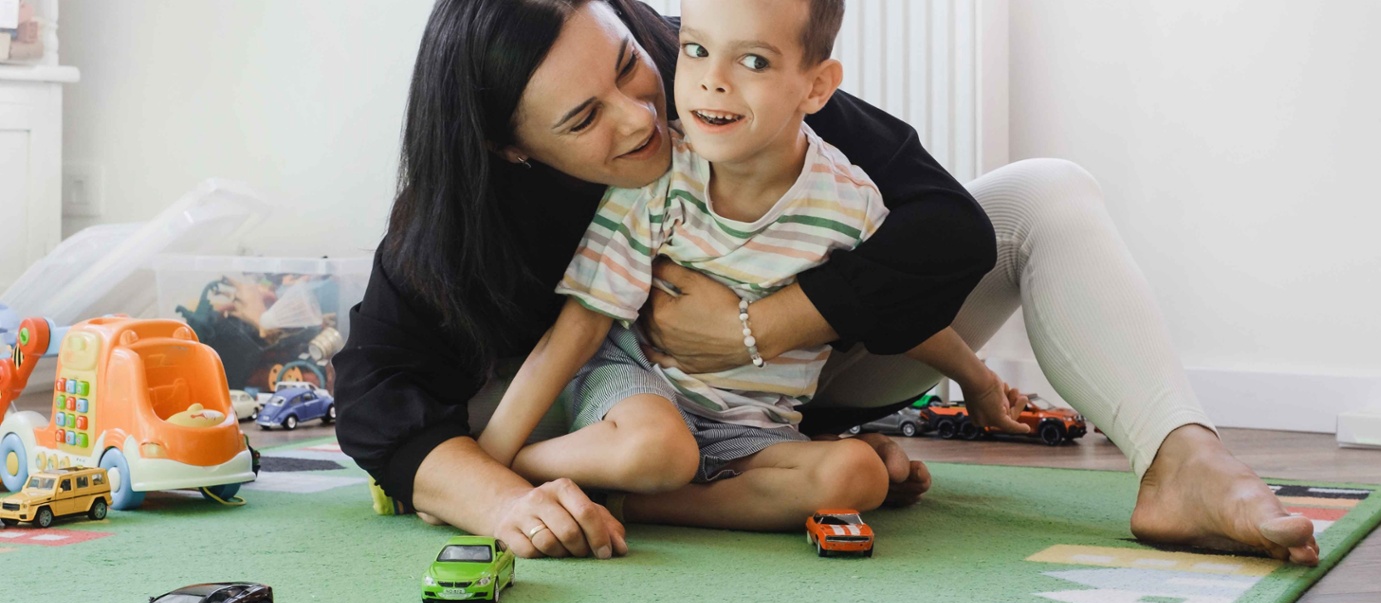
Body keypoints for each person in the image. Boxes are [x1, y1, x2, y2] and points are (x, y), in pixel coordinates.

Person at [334, 0, 1320, 565]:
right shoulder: (455, 217)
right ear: (510, 150)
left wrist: (760, 325)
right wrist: (495, 494)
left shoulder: (712, 71)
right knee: (518, 421)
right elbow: (376, 399)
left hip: (785, 382)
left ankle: (1184, 460)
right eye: (583, 120)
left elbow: (943, 231)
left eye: (634, 67)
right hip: (601, 402)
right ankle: (617, 479)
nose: (643, 116)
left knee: (1048, 195)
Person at [474, 0, 1032, 534]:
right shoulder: (660, 178)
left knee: (858, 476)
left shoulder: (849, 203)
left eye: (753, 61)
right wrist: (486, 468)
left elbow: (897, 309)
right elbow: (578, 326)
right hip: (641, 387)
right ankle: (528, 467)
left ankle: (642, 503)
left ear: (816, 87)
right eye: (694, 50)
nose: (712, 80)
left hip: (753, 421)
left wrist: (977, 381)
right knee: (659, 449)